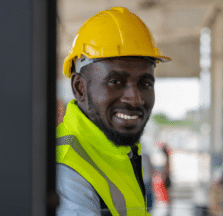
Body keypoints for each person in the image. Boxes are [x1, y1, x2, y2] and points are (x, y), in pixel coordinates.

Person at [56, 7, 171, 216]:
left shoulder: (118, 151)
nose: (134, 99)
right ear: (79, 87)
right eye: (115, 82)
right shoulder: (67, 170)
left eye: (145, 83)